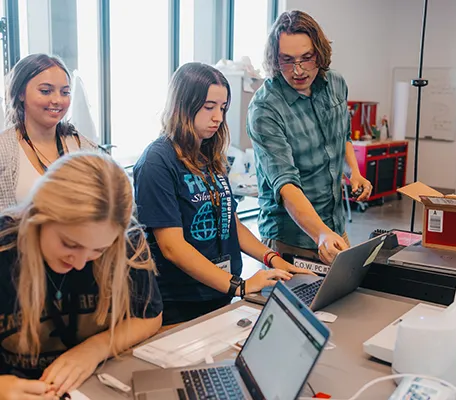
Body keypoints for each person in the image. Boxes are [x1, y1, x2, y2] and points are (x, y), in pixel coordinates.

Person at [134, 63, 311, 326]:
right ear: (183, 105)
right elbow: (172, 247)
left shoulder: (209, 154)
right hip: (180, 302)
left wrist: (270, 258)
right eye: (209, 107)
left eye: (223, 108)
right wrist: (240, 286)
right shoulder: (157, 161)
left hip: (219, 293)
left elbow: (230, 222)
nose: (218, 117)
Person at [0, 152, 162, 399]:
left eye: (99, 250)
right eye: (69, 244)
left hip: (95, 385)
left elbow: (149, 317)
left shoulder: (127, 243)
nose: (79, 263)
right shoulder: (5, 249)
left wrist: (95, 348)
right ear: (39, 216)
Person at [247, 10, 372, 265]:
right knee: (294, 305)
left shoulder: (335, 83)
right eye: (287, 60)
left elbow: (343, 137)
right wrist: (320, 234)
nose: (299, 70)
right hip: (291, 240)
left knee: (341, 303)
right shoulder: (265, 108)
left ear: (320, 52)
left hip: (334, 230)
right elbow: (286, 185)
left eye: (307, 58)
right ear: (274, 59)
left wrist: (354, 173)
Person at [0, 53, 97, 211]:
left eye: (64, 92)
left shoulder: (84, 148)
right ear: (20, 93)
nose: (57, 100)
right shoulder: (4, 151)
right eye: (46, 91)